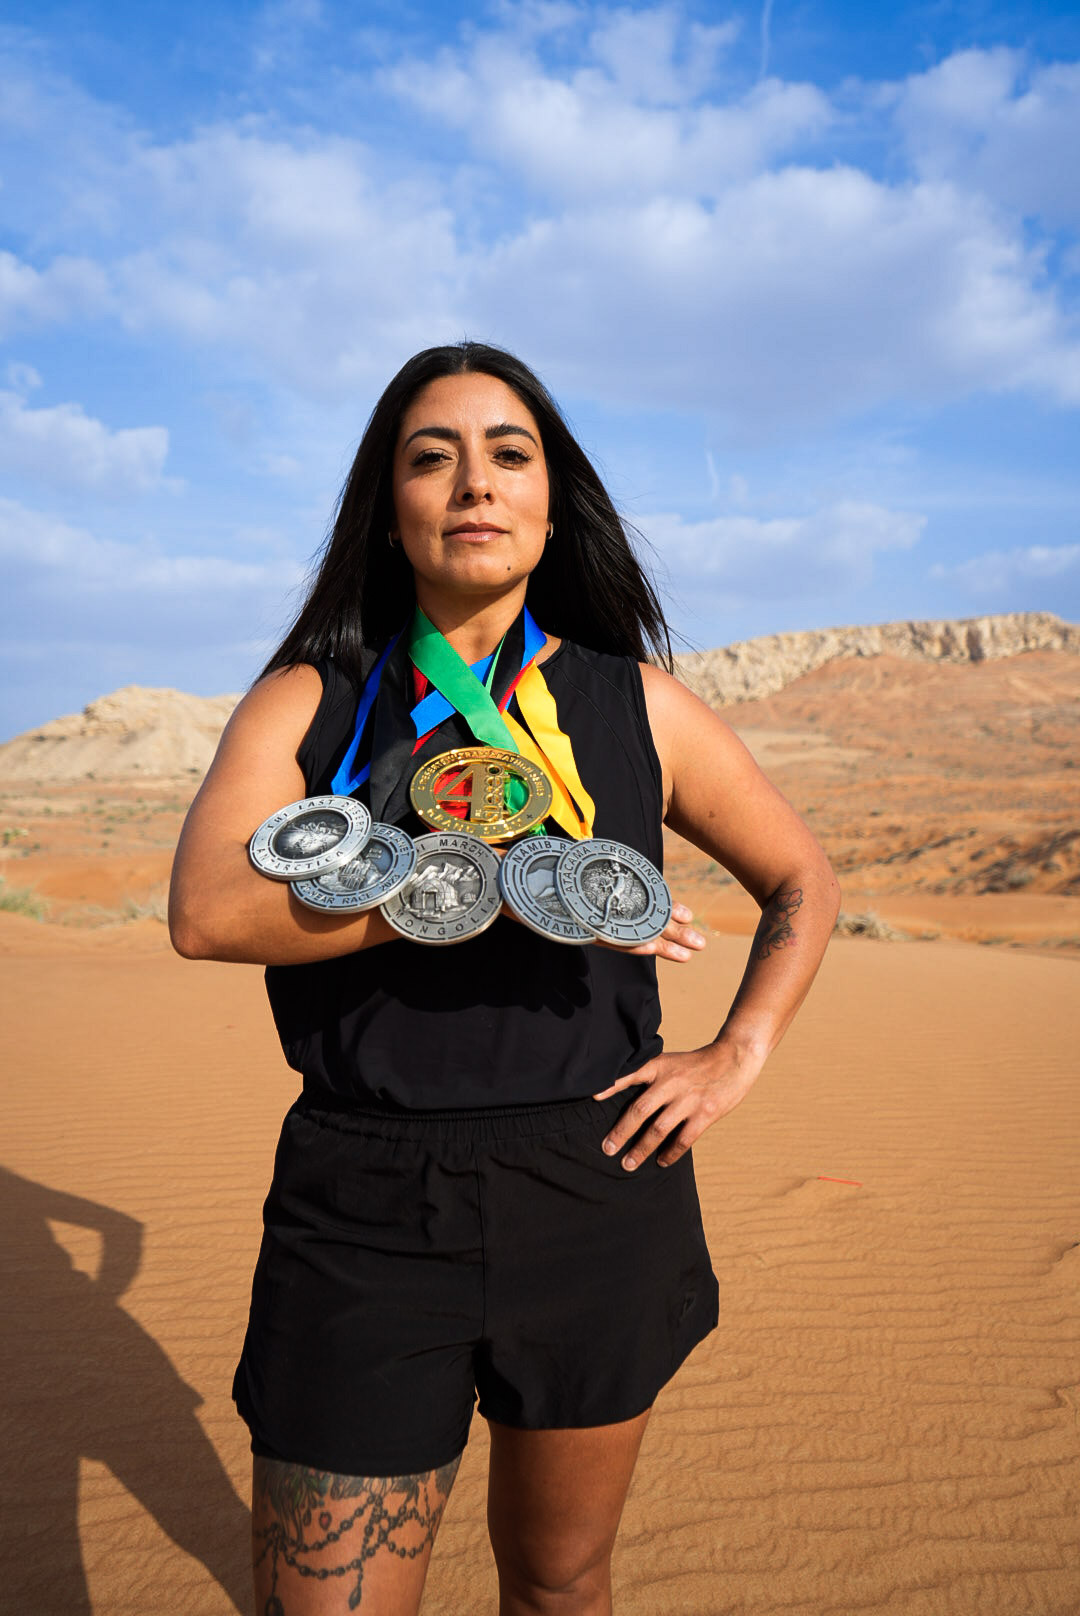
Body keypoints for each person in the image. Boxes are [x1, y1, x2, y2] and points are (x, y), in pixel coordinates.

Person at [169, 342, 840, 1616]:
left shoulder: (638, 703)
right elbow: (206, 913)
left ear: (549, 502)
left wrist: (735, 1054)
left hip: (597, 1184)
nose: (474, 482)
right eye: (432, 457)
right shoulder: (310, 698)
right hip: (364, 1204)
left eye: (509, 454)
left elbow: (803, 880)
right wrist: (463, 884)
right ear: (390, 509)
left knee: (559, 1575)